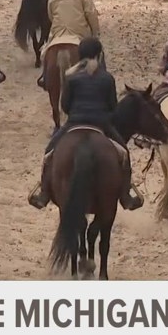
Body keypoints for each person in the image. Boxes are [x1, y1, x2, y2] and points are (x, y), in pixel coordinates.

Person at [27, 36, 143, 212]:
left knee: (49, 152)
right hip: (101, 123)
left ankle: (44, 192)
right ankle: (126, 196)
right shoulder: (107, 78)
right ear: (99, 55)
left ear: (80, 55)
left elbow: (65, 106)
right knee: (124, 153)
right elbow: (112, 106)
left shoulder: (70, 77)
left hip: (75, 122)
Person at [36, 0, 101, 89]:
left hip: (58, 35)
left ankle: (45, 77)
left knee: (45, 53)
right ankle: (100, 77)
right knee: (99, 54)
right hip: (78, 34)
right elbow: (91, 14)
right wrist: (95, 33)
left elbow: (51, 16)